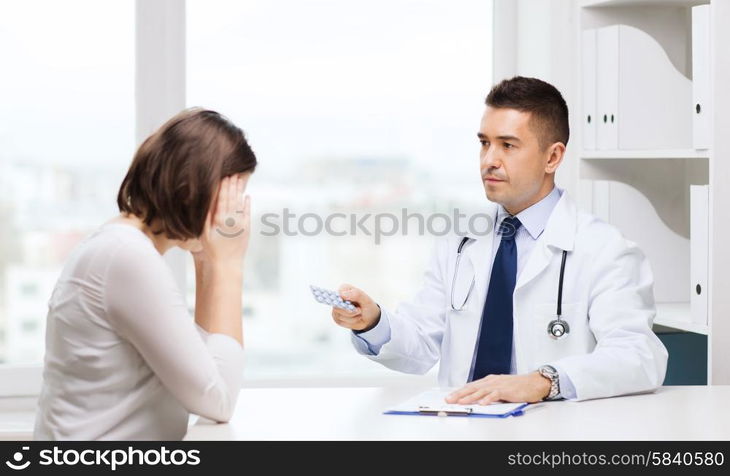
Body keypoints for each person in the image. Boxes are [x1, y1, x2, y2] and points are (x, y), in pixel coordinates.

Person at [331, 76, 668, 404]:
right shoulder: (460, 241)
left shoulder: (605, 249)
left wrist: (543, 381)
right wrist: (372, 322)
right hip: (462, 426)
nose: (489, 160)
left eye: (507, 145)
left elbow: (638, 356)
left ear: (552, 157)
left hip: (550, 437)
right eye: (484, 143)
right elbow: (420, 344)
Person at [33, 108, 256, 440]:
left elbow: (203, 368)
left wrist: (208, 260)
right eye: (230, 200)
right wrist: (228, 265)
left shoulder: (122, 248)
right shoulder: (127, 257)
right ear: (197, 188)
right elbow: (218, 400)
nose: (236, 213)